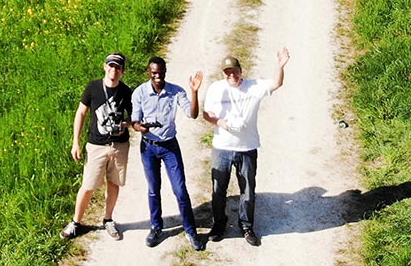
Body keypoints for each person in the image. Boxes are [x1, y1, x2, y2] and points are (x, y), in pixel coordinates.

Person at [200, 47, 290, 247]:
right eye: (227, 72)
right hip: (222, 148)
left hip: (247, 147)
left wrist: (280, 66)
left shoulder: (254, 86)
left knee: (248, 190)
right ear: (223, 74)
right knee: (218, 189)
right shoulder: (216, 88)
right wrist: (218, 122)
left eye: (234, 71)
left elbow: (277, 83)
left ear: (241, 71)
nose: (231, 75)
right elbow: (206, 114)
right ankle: (219, 224)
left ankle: (246, 226)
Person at [131, 58, 206, 251]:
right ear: (149, 72)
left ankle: (190, 230)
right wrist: (140, 127)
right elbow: (134, 121)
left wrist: (194, 92)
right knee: (153, 189)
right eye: (154, 73)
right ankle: (156, 227)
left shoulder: (176, 91)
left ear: (165, 71)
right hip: (148, 147)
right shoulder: (139, 92)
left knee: (180, 190)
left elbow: (192, 114)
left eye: (161, 72)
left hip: (170, 147)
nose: (157, 76)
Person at [61, 52, 132, 241]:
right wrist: (75, 142)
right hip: (96, 145)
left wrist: (125, 124)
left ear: (123, 71)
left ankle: (108, 219)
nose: (114, 70)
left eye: (118, 67)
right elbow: (81, 113)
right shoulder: (93, 87)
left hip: (119, 146)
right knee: (88, 186)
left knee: (114, 183)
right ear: (105, 66)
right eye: (111, 66)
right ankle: (76, 222)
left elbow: (134, 118)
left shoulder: (126, 91)